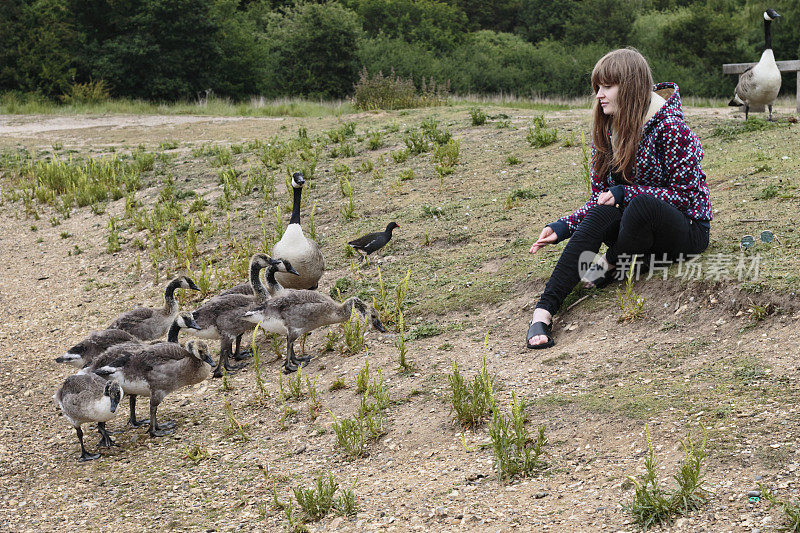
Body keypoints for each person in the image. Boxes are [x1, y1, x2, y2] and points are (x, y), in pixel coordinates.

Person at [526, 48, 712, 349]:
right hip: (636, 235)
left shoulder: (672, 129)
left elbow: (687, 197)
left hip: (686, 231)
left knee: (637, 204)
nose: (599, 95)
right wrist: (562, 226)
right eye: (597, 87)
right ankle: (545, 309)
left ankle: (612, 262)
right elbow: (602, 200)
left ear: (630, 86)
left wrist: (626, 192)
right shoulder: (606, 131)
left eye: (607, 86)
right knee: (604, 211)